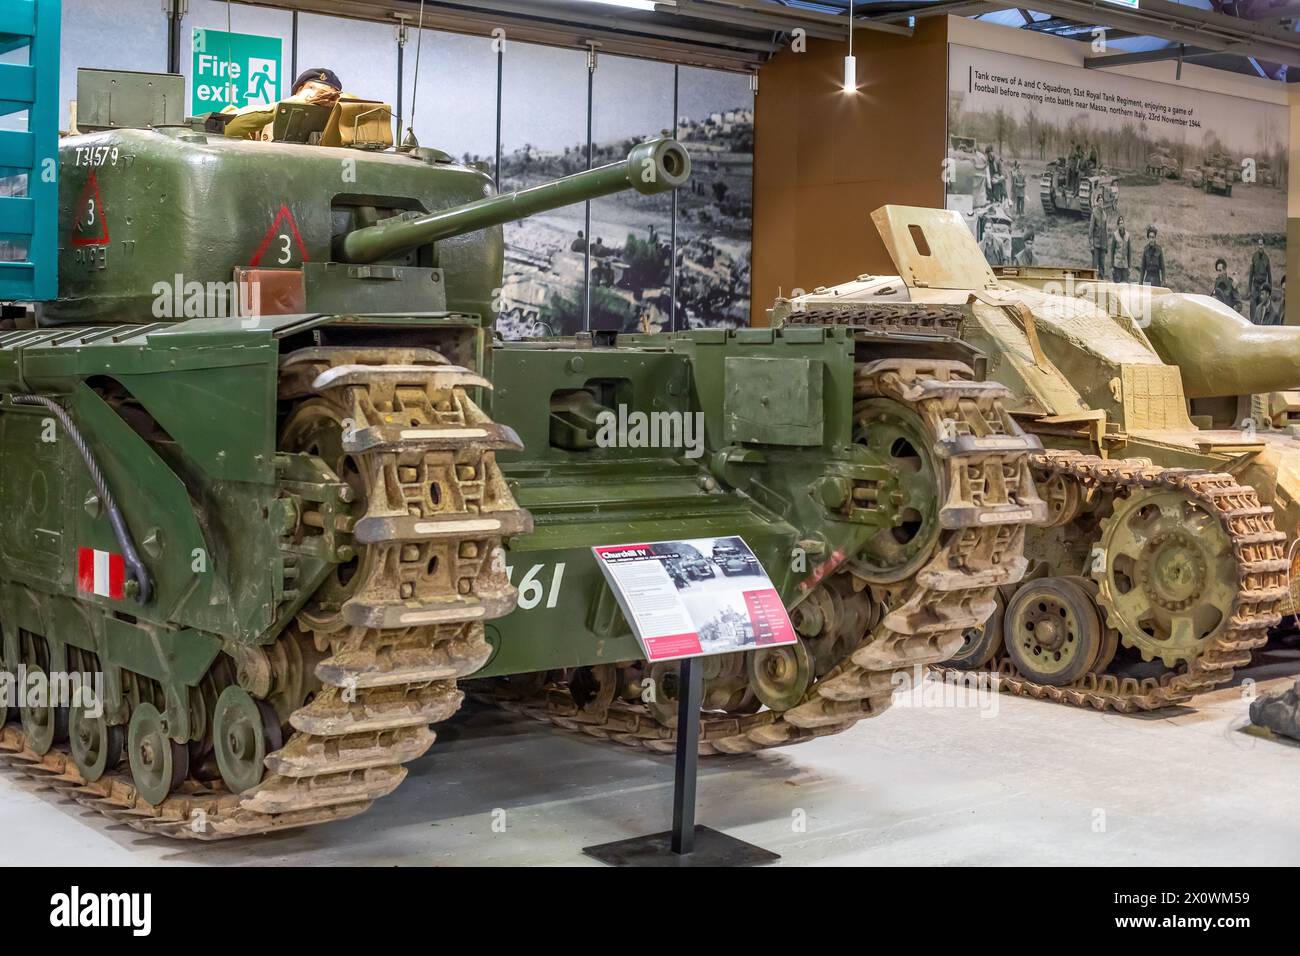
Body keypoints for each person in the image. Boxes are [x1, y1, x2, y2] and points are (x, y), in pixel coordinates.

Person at [223, 67, 343, 141]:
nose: (316, 96)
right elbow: (225, 128)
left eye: (326, 95)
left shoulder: (338, 132)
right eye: (311, 88)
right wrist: (290, 105)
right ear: (299, 89)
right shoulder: (263, 123)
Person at [1248, 235, 1272, 324]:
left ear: (1264, 245)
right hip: (1255, 285)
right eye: (1259, 244)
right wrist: (1249, 289)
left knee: (1262, 306)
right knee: (1252, 305)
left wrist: (1270, 289)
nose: (1260, 246)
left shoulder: (1266, 258)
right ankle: (1252, 324)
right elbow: (1251, 274)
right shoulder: (1254, 257)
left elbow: (1269, 274)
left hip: (1263, 286)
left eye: (1261, 244)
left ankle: (1261, 324)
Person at [1109, 215, 1132, 283]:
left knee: (1125, 285)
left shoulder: (1127, 235)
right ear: (1118, 225)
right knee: (1117, 285)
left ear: (1124, 224)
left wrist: (1129, 266)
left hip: (1125, 265)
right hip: (1117, 265)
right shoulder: (1115, 235)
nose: (1121, 225)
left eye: (1122, 223)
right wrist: (1112, 266)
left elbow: (1129, 252)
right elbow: (1112, 251)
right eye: (1119, 223)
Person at [1089, 201, 1108, 277]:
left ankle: (1101, 280)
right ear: (1097, 202)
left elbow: (1106, 231)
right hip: (1096, 244)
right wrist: (1091, 244)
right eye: (1099, 201)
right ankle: (1092, 281)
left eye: (1102, 201)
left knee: (1102, 265)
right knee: (1094, 265)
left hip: (1103, 244)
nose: (1101, 202)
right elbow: (1091, 229)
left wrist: (1106, 245)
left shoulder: (1104, 214)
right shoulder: (1094, 213)